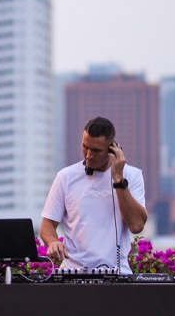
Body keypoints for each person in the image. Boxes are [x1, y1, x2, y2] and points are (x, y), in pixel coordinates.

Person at [41, 116, 147, 274]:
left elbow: (137, 225)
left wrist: (118, 179)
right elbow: (47, 225)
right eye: (85, 147)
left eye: (96, 150)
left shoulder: (132, 176)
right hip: (73, 275)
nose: (89, 155)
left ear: (113, 149)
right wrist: (53, 242)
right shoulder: (65, 176)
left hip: (117, 275)